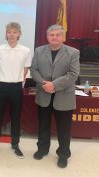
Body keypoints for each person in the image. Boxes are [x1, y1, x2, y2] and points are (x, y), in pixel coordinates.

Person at [30, 24, 80, 168]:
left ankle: (63, 154)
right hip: (44, 94)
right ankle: (42, 149)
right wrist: (45, 84)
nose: (54, 37)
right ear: (47, 37)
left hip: (64, 95)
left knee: (64, 129)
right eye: (51, 35)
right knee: (43, 126)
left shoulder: (73, 52)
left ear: (63, 37)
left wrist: (54, 85)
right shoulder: (39, 51)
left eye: (58, 35)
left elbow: (73, 74)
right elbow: (34, 70)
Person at [0, 22, 31, 159]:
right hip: (1, 86)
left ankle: (15, 144)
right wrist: (0, 77)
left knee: (16, 117)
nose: (11, 34)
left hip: (16, 87)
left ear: (19, 34)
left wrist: (18, 79)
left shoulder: (25, 50)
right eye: (9, 32)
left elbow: (26, 68)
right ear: (6, 34)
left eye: (14, 31)